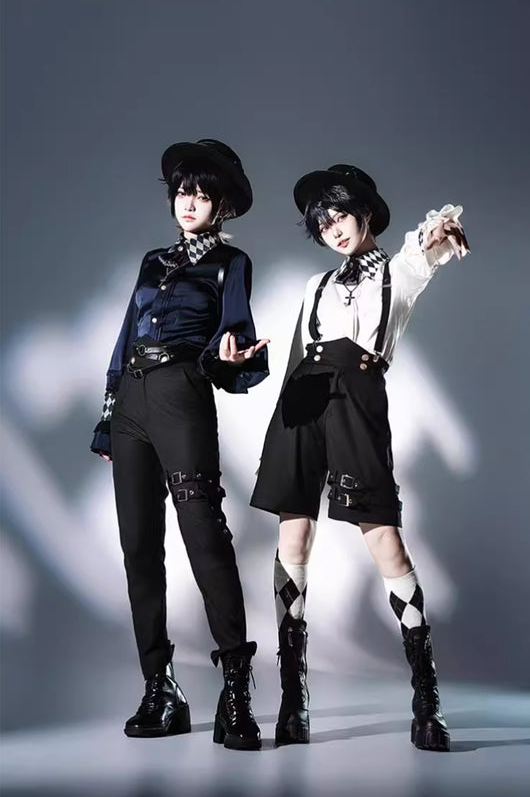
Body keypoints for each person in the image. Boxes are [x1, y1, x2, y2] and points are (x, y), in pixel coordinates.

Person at [251, 163, 469, 752]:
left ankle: (426, 698)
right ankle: (293, 699)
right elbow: (298, 355)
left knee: (385, 540)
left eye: (340, 215)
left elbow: (427, 247)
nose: (333, 229)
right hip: (302, 402)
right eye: (322, 223)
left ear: (365, 212)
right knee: (293, 539)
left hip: (358, 401)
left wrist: (441, 230)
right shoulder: (314, 285)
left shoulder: (399, 272)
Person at [91, 138, 269, 750]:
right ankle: (159, 687)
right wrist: (107, 419)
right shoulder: (152, 261)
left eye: (201, 195)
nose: (188, 203)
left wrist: (229, 359)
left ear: (222, 205)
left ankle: (236, 691)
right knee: (139, 547)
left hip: (182, 397)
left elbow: (232, 339)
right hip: (133, 404)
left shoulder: (231, 263)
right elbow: (124, 342)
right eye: (182, 193)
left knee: (205, 540)